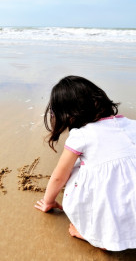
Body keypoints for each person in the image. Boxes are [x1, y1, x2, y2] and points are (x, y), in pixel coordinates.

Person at [34, 76, 136, 251]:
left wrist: (48, 201)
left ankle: (98, 237)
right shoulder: (131, 124)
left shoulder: (81, 136)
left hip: (116, 211)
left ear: (67, 114)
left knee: (75, 171)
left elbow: (59, 177)